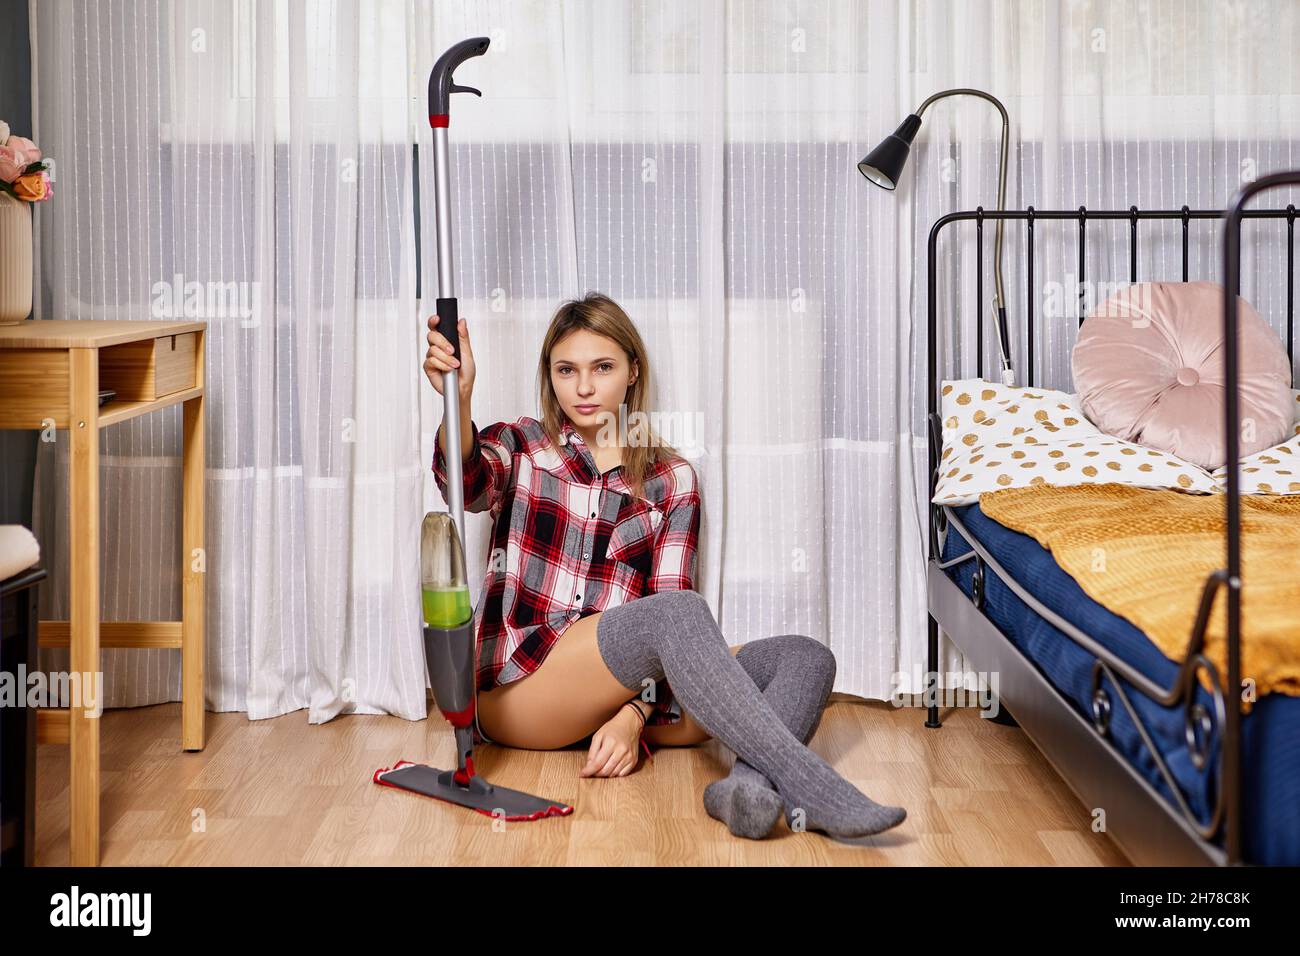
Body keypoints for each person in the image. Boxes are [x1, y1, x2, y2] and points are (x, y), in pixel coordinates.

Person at [425, 292, 906, 841]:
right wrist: (458, 402)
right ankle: (814, 788)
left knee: (806, 656)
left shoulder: (673, 478)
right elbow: (463, 480)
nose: (583, 387)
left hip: (634, 696)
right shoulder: (523, 446)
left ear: (632, 371)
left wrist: (633, 716)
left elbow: (669, 607)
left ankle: (747, 788)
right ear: (550, 376)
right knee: (674, 616)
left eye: (602, 367)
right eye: (567, 370)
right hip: (522, 688)